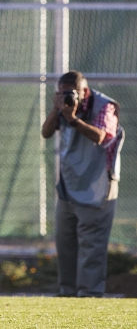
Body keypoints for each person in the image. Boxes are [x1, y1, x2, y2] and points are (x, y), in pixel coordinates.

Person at [41, 70, 124, 298]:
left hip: (98, 185)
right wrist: (56, 109)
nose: (68, 97)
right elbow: (46, 132)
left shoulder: (104, 106)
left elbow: (100, 136)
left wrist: (73, 119)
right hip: (69, 185)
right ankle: (67, 292)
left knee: (92, 247)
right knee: (65, 242)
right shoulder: (62, 108)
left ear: (84, 92)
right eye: (62, 93)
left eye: (72, 94)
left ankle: (89, 293)